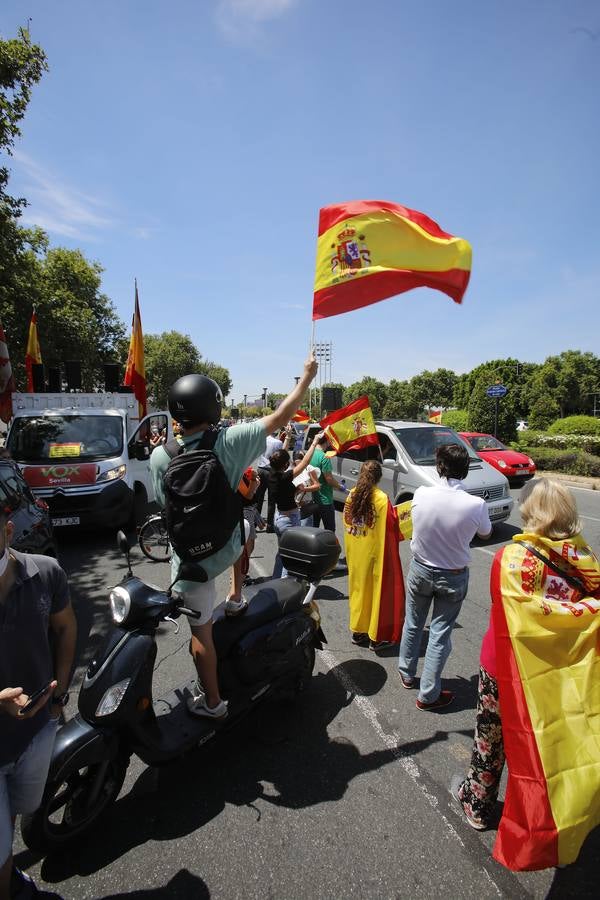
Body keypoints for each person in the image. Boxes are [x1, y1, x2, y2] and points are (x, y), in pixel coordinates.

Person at [151, 352, 318, 720]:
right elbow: (280, 417)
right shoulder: (229, 441)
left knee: (201, 636)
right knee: (246, 526)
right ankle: (237, 596)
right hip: (227, 547)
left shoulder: (160, 457)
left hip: (190, 565)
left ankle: (212, 703)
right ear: (212, 408)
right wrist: (305, 378)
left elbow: (165, 506)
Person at [452, 479, 600, 868]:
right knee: (550, 744)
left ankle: (478, 804)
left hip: (508, 670)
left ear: (532, 512)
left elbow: (508, 619)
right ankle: (561, 809)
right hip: (564, 673)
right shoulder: (585, 557)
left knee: (492, 739)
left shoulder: (511, 560)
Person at [0, 505, 77, 900]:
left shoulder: (46, 572)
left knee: (15, 811)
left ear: (8, 531)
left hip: (35, 732)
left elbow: (65, 628)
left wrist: (59, 694)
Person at [398, 443, 491, 710]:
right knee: (440, 633)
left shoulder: (421, 494)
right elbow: (485, 533)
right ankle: (428, 694)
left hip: (420, 569)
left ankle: (406, 672)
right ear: (465, 470)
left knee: (413, 623)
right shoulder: (476, 504)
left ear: (439, 466)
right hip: (453, 575)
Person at [343, 461, 405, 651]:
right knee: (378, 594)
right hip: (375, 555)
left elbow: (347, 523)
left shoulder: (351, 495)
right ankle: (376, 638)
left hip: (356, 554)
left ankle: (358, 632)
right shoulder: (380, 498)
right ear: (380, 477)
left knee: (359, 591)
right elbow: (393, 527)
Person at [268, 433, 323, 578]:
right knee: (291, 557)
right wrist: (314, 442)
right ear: (286, 465)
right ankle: (285, 588)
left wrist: (286, 439)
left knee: (282, 553)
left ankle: (275, 580)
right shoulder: (285, 477)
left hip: (279, 518)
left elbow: (279, 458)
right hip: (289, 520)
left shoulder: (272, 474)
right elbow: (304, 462)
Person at [311, 432, 346, 533]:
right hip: (325, 499)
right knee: (330, 530)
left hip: (312, 498)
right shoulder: (324, 457)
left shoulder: (310, 453)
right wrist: (340, 486)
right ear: (326, 441)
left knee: (313, 529)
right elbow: (329, 479)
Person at [254, 428, 293, 518]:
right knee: (271, 499)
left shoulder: (262, 440)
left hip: (260, 469)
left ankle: (256, 521)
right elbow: (283, 453)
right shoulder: (277, 442)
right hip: (271, 471)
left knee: (259, 497)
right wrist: (288, 437)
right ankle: (270, 525)